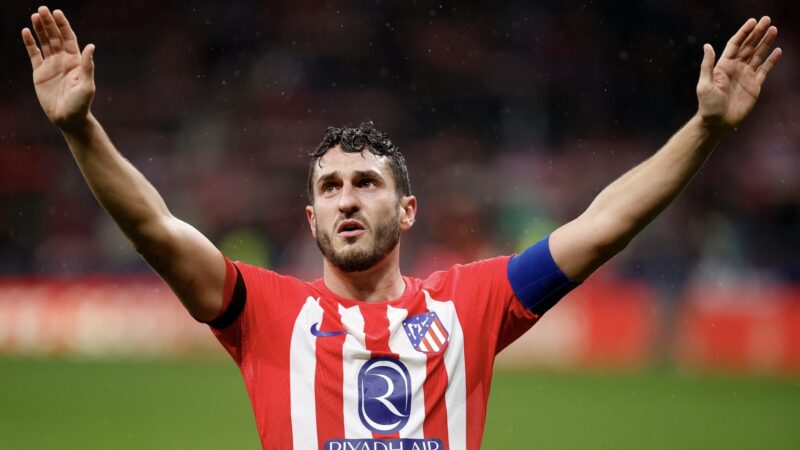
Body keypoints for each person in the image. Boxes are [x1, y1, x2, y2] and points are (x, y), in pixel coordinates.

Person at [22, 5, 781, 450]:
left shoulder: (470, 304)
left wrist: (706, 130)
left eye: (367, 183)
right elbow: (156, 229)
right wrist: (80, 129)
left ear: (407, 210)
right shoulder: (264, 311)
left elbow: (606, 223)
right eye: (330, 187)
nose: (347, 199)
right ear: (311, 218)